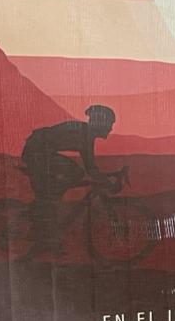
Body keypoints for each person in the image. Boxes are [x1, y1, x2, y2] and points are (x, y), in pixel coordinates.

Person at [20, 104, 117, 255]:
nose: (110, 129)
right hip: (37, 153)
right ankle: (43, 234)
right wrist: (108, 181)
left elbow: (91, 168)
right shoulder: (84, 135)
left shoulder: (85, 133)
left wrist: (107, 177)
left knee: (61, 186)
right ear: (101, 123)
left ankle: (42, 231)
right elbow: (91, 169)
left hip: (38, 151)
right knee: (70, 177)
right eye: (110, 124)